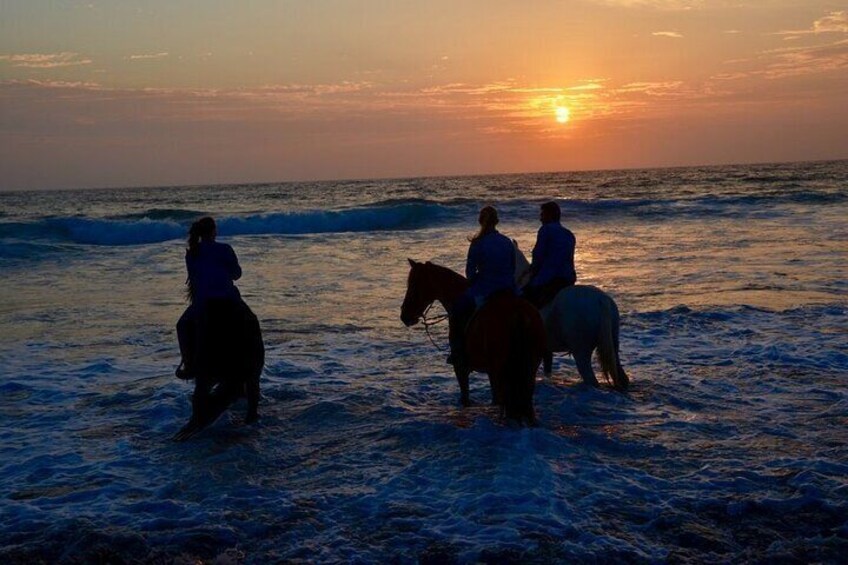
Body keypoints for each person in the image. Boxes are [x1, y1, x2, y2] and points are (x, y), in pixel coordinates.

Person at [448, 205, 517, 368]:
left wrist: (478, 278)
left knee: (456, 311)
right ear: (497, 221)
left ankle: (458, 353)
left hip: (486, 290)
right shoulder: (507, 242)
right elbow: (513, 269)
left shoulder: (478, 243)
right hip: (509, 289)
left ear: (480, 221)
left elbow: (470, 273)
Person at [175, 216, 243, 379]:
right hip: (228, 299)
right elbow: (237, 274)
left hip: (204, 303)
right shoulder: (225, 249)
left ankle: (189, 365)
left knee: (182, 326)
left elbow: (194, 281)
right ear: (214, 231)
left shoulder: (192, 253)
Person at [522, 201, 576, 308]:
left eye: (542, 215)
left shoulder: (546, 230)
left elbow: (538, 255)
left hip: (550, 278)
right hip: (568, 278)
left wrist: (532, 272)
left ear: (549, 215)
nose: (540, 218)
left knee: (524, 300)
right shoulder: (569, 234)